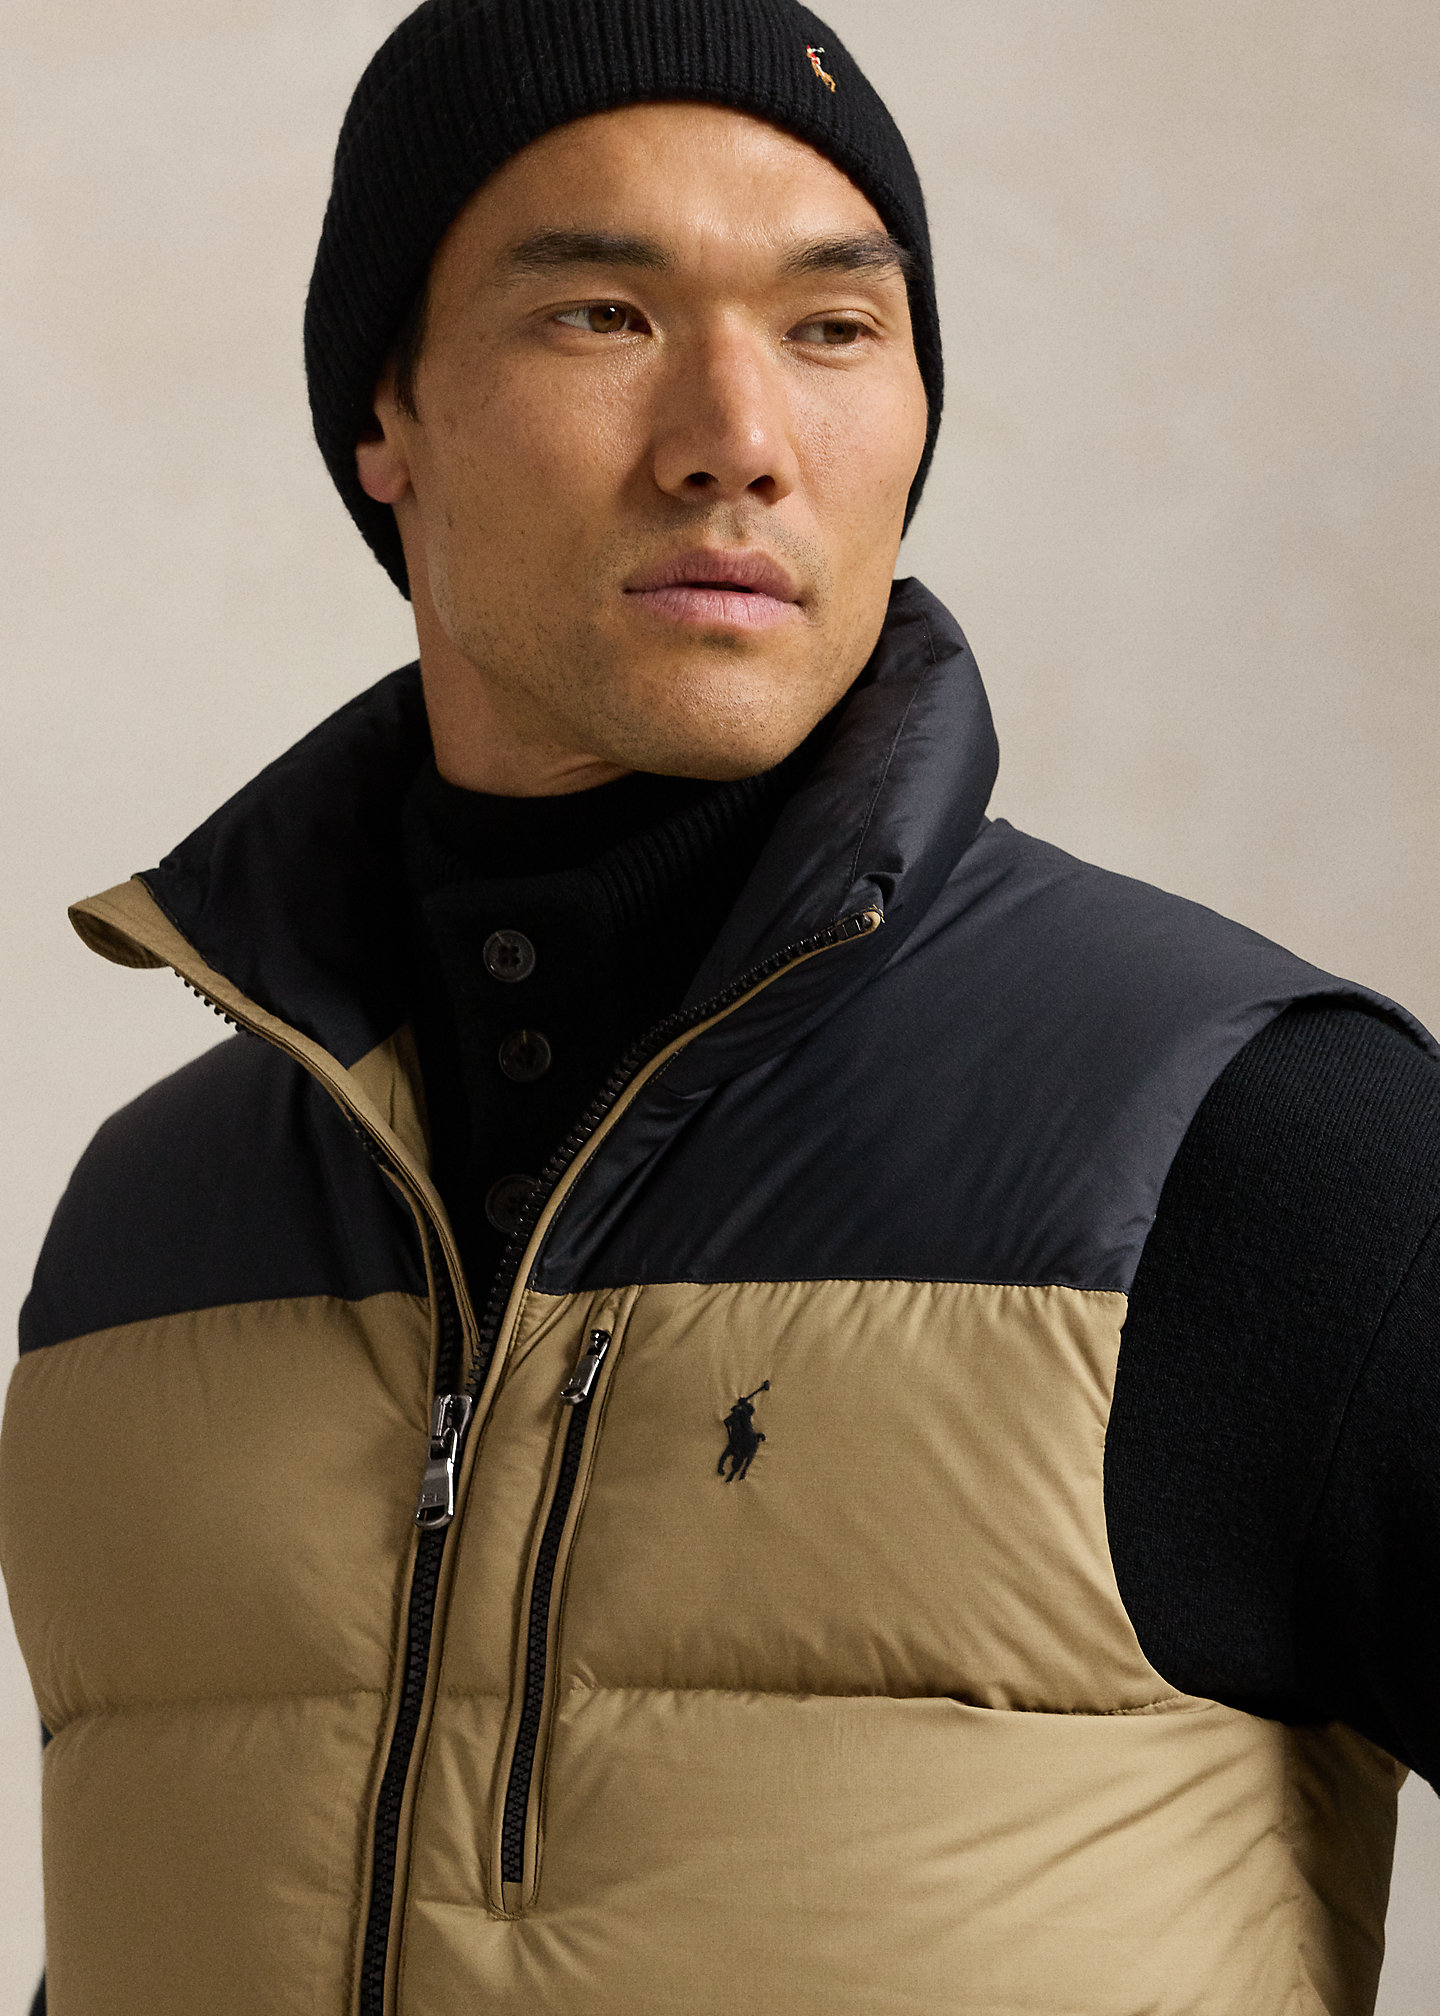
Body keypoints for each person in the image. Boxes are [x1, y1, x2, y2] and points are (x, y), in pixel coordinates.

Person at [2, 1, 1437, 2010]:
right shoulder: (145, 1238)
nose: (736, 436)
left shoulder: (1258, 1149)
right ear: (384, 415)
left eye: (833, 327)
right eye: (602, 314)